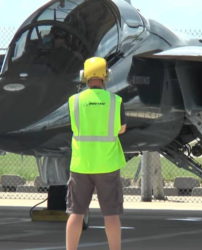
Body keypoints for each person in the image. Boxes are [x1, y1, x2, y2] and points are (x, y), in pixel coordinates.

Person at [66, 57, 127, 250]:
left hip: (81, 164)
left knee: (76, 213)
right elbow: (121, 129)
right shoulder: (115, 101)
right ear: (106, 76)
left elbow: (75, 126)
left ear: (84, 76)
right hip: (107, 163)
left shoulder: (74, 101)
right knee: (111, 214)